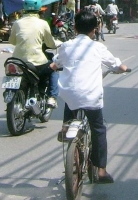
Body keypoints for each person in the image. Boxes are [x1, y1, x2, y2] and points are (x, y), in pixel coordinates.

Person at [51, 10, 129, 183]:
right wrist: (123, 68)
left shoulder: (66, 46)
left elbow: (56, 63)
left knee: (71, 99)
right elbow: (116, 64)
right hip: (91, 97)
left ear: (75, 27)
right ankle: (101, 171)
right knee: (98, 129)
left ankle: (66, 127)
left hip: (70, 96)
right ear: (94, 29)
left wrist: (53, 66)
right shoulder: (98, 47)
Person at [9, 0, 59, 108]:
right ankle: (52, 97)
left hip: (17, 61)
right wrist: (57, 43)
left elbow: (12, 41)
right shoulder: (43, 23)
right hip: (37, 63)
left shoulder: (17, 23)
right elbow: (51, 44)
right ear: (39, 9)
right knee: (53, 68)